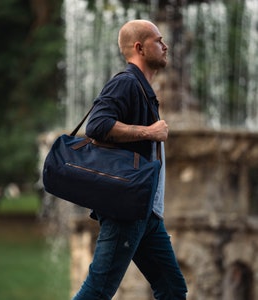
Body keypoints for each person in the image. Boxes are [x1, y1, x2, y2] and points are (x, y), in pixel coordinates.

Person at [72, 19, 187, 300]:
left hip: (146, 212)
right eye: (158, 41)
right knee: (99, 290)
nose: (165, 45)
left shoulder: (141, 87)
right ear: (140, 47)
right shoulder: (125, 83)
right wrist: (149, 131)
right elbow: (97, 125)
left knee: (172, 289)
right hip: (127, 209)